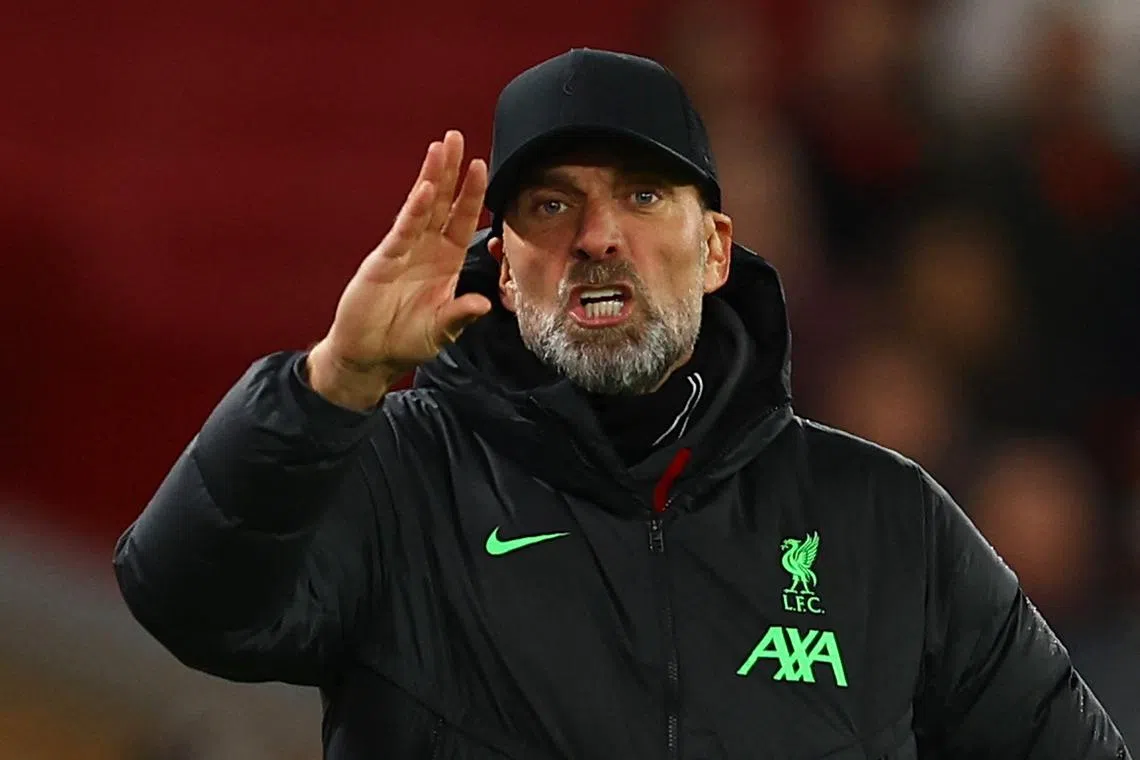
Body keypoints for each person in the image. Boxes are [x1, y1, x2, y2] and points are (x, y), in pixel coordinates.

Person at [113, 48, 1132, 759]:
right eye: (551, 203)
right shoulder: (399, 478)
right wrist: (333, 380)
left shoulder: (886, 521)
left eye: (643, 195)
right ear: (503, 270)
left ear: (719, 248)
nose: (598, 234)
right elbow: (183, 598)